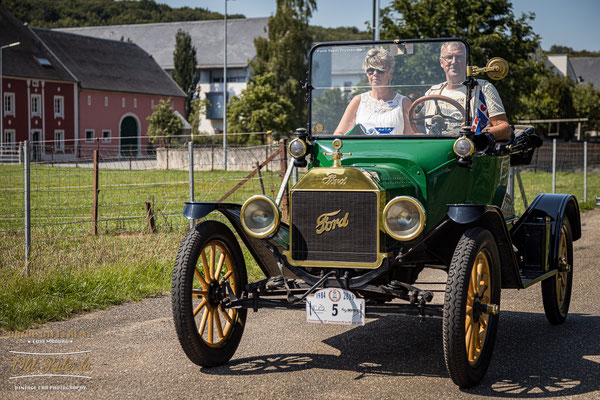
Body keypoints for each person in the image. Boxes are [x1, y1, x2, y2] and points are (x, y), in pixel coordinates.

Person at [423, 41, 511, 141]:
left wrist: (477, 135)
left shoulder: (483, 88)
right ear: (441, 62)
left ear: (466, 61)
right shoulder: (432, 92)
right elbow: (415, 121)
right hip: (435, 148)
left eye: (459, 57)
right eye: (449, 57)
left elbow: (505, 129)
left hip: (469, 151)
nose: (454, 62)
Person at [334, 48, 416, 135]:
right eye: (371, 70)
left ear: (390, 74)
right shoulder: (358, 101)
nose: (375, 74)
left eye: (380, 70)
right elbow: (339, 134)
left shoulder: (404, 103)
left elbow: (413, 138)